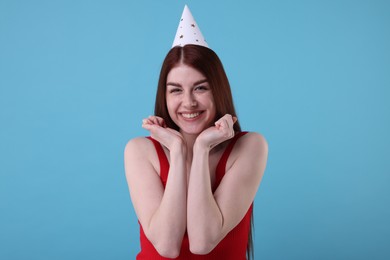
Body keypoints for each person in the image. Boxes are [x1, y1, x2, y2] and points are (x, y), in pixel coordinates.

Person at [124, 5, 268, 260]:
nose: (188, 102)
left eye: (200, 88)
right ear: (164, 95)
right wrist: (178, 151)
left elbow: (203, 242)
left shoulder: (250, 146)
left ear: (218, 89)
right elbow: (166, 247)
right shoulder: (140, 150)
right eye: (176, 90)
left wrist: (201, 149)